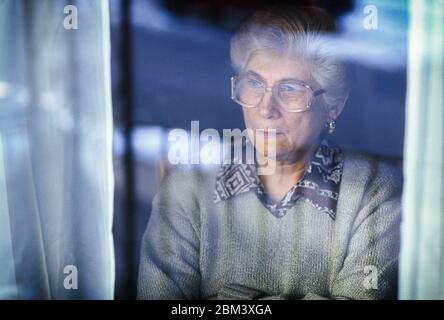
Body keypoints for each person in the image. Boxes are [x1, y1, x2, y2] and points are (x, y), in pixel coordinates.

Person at [138, 6, 402, 300]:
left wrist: (231, 299)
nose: (265, 108)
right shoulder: (187, 189)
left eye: (289, 89)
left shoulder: (374, 192)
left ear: (333, 105)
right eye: (253, 84)